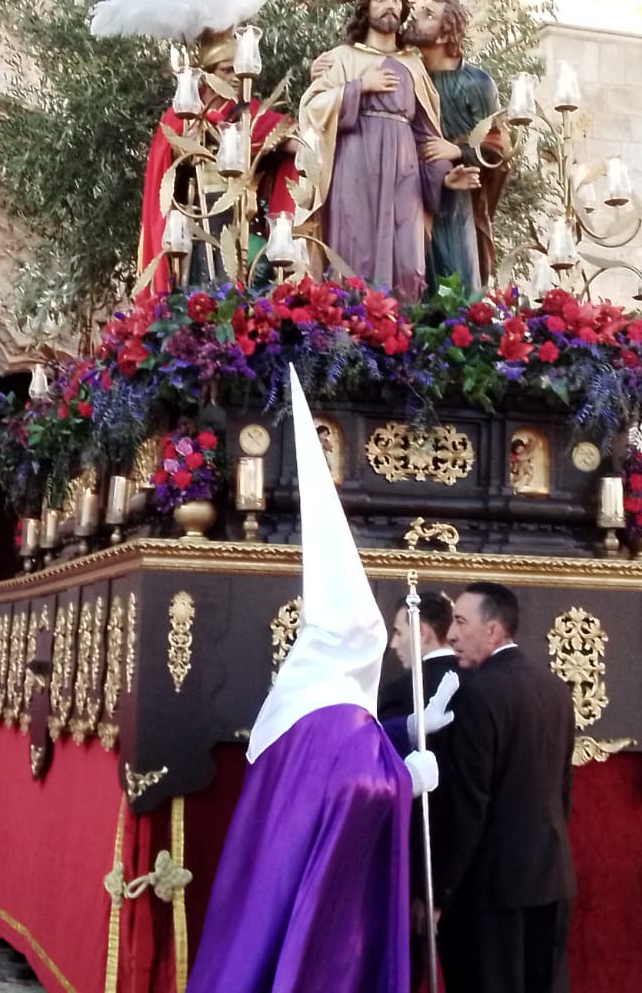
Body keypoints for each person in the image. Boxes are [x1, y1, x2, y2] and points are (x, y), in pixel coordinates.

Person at [189, 368, 443, 993]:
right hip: (326, 903)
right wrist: (407, 778)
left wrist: (406, 730)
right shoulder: (343, 717)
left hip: (272, 872)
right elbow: (359, 785)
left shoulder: (300, 700)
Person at [429, 581, 576, 993]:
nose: (452, 635)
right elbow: (563, 789)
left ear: (493, 631)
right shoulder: (554, 689)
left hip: (490, 892)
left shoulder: (475, 693)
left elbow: (467, 804)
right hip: (551, 878)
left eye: (460, 622)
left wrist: (439, 891)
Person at [299, 0, 477, 302]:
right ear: (366, 7)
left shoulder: (414, 65)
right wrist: (358, 88)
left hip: (404, 176)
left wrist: (443, 175)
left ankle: (400, 342)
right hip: (353, 172)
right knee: (352, 255)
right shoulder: (342, 58)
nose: (390, 5)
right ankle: (346, 343)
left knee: (407, 263)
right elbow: (311, 110)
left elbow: (427, 134)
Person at [138, 28, 299, 293]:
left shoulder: (250, 113)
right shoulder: (181, 114)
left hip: (240, 213)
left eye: (238, 69)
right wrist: (182, 149)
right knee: (200, 279)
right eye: (227, 70)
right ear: (209, 74)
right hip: (197, 212)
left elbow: (288, 137)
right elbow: (162, 166)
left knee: (246, 277)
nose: (235, 77)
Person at [399, 0, 500, 295]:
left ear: (446, 34)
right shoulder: (406, 75)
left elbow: (498, 145)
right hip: (409, 196)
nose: (415, 15)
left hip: (455, 204)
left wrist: (458, 151)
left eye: (428, 14)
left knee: (455, 287)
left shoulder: (476, 83)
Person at [376, 588, 458, 720]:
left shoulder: (400, 692)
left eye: (399, 633)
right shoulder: (478, 680)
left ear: (421, 631)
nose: (393, 644)